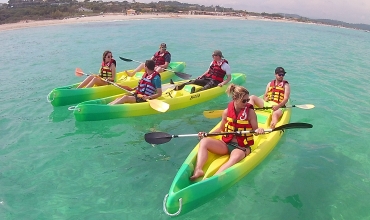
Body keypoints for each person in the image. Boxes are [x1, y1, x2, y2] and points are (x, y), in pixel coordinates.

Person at [190, 84, 265, 180]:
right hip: (226, 144)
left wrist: (259, 130)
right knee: (204, 142)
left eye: (247, 100)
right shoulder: (226, 112)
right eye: (244, 100)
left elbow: (255, 130)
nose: (247, 103)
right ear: (235, 98)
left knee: (235, 158)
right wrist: (207, 134)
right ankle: (198, 170)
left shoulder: (250, 113)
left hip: (241, 147)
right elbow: (221, 129)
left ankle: (212, 179)